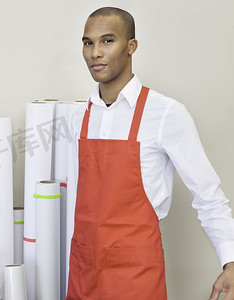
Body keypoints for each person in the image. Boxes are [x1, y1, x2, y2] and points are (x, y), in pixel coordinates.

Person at [67, 7, 234, 300]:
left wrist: (230, 262)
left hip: (136, 275)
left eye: (107, 41)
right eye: (88, 42)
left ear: (131, 46)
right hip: (83, 271)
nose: (95, 52)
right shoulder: (79, 116)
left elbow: (209, 196)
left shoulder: (166, 114)